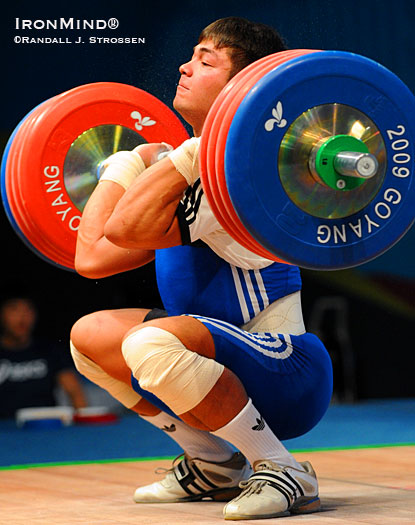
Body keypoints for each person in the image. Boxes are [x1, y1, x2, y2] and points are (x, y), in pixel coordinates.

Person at [70, 17, 333, 520]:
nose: (185, 67)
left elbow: (122, 229)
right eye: (191, 55)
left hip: (287, 372)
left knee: (149, 342)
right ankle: (214, 462)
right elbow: (92, 259)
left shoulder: (241, 173)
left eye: (206, 61)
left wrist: (144, 161)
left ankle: (282, 468)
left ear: (240, 87)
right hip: (221, 366)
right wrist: (133, 161)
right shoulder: (190, 167)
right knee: (90, 337)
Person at [0, 294, 87, 419]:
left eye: (28, 309)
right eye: (14, 309)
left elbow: (75, 392)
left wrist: (83, 424)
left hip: (47, 428)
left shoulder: (49, 351)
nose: (22, 317)